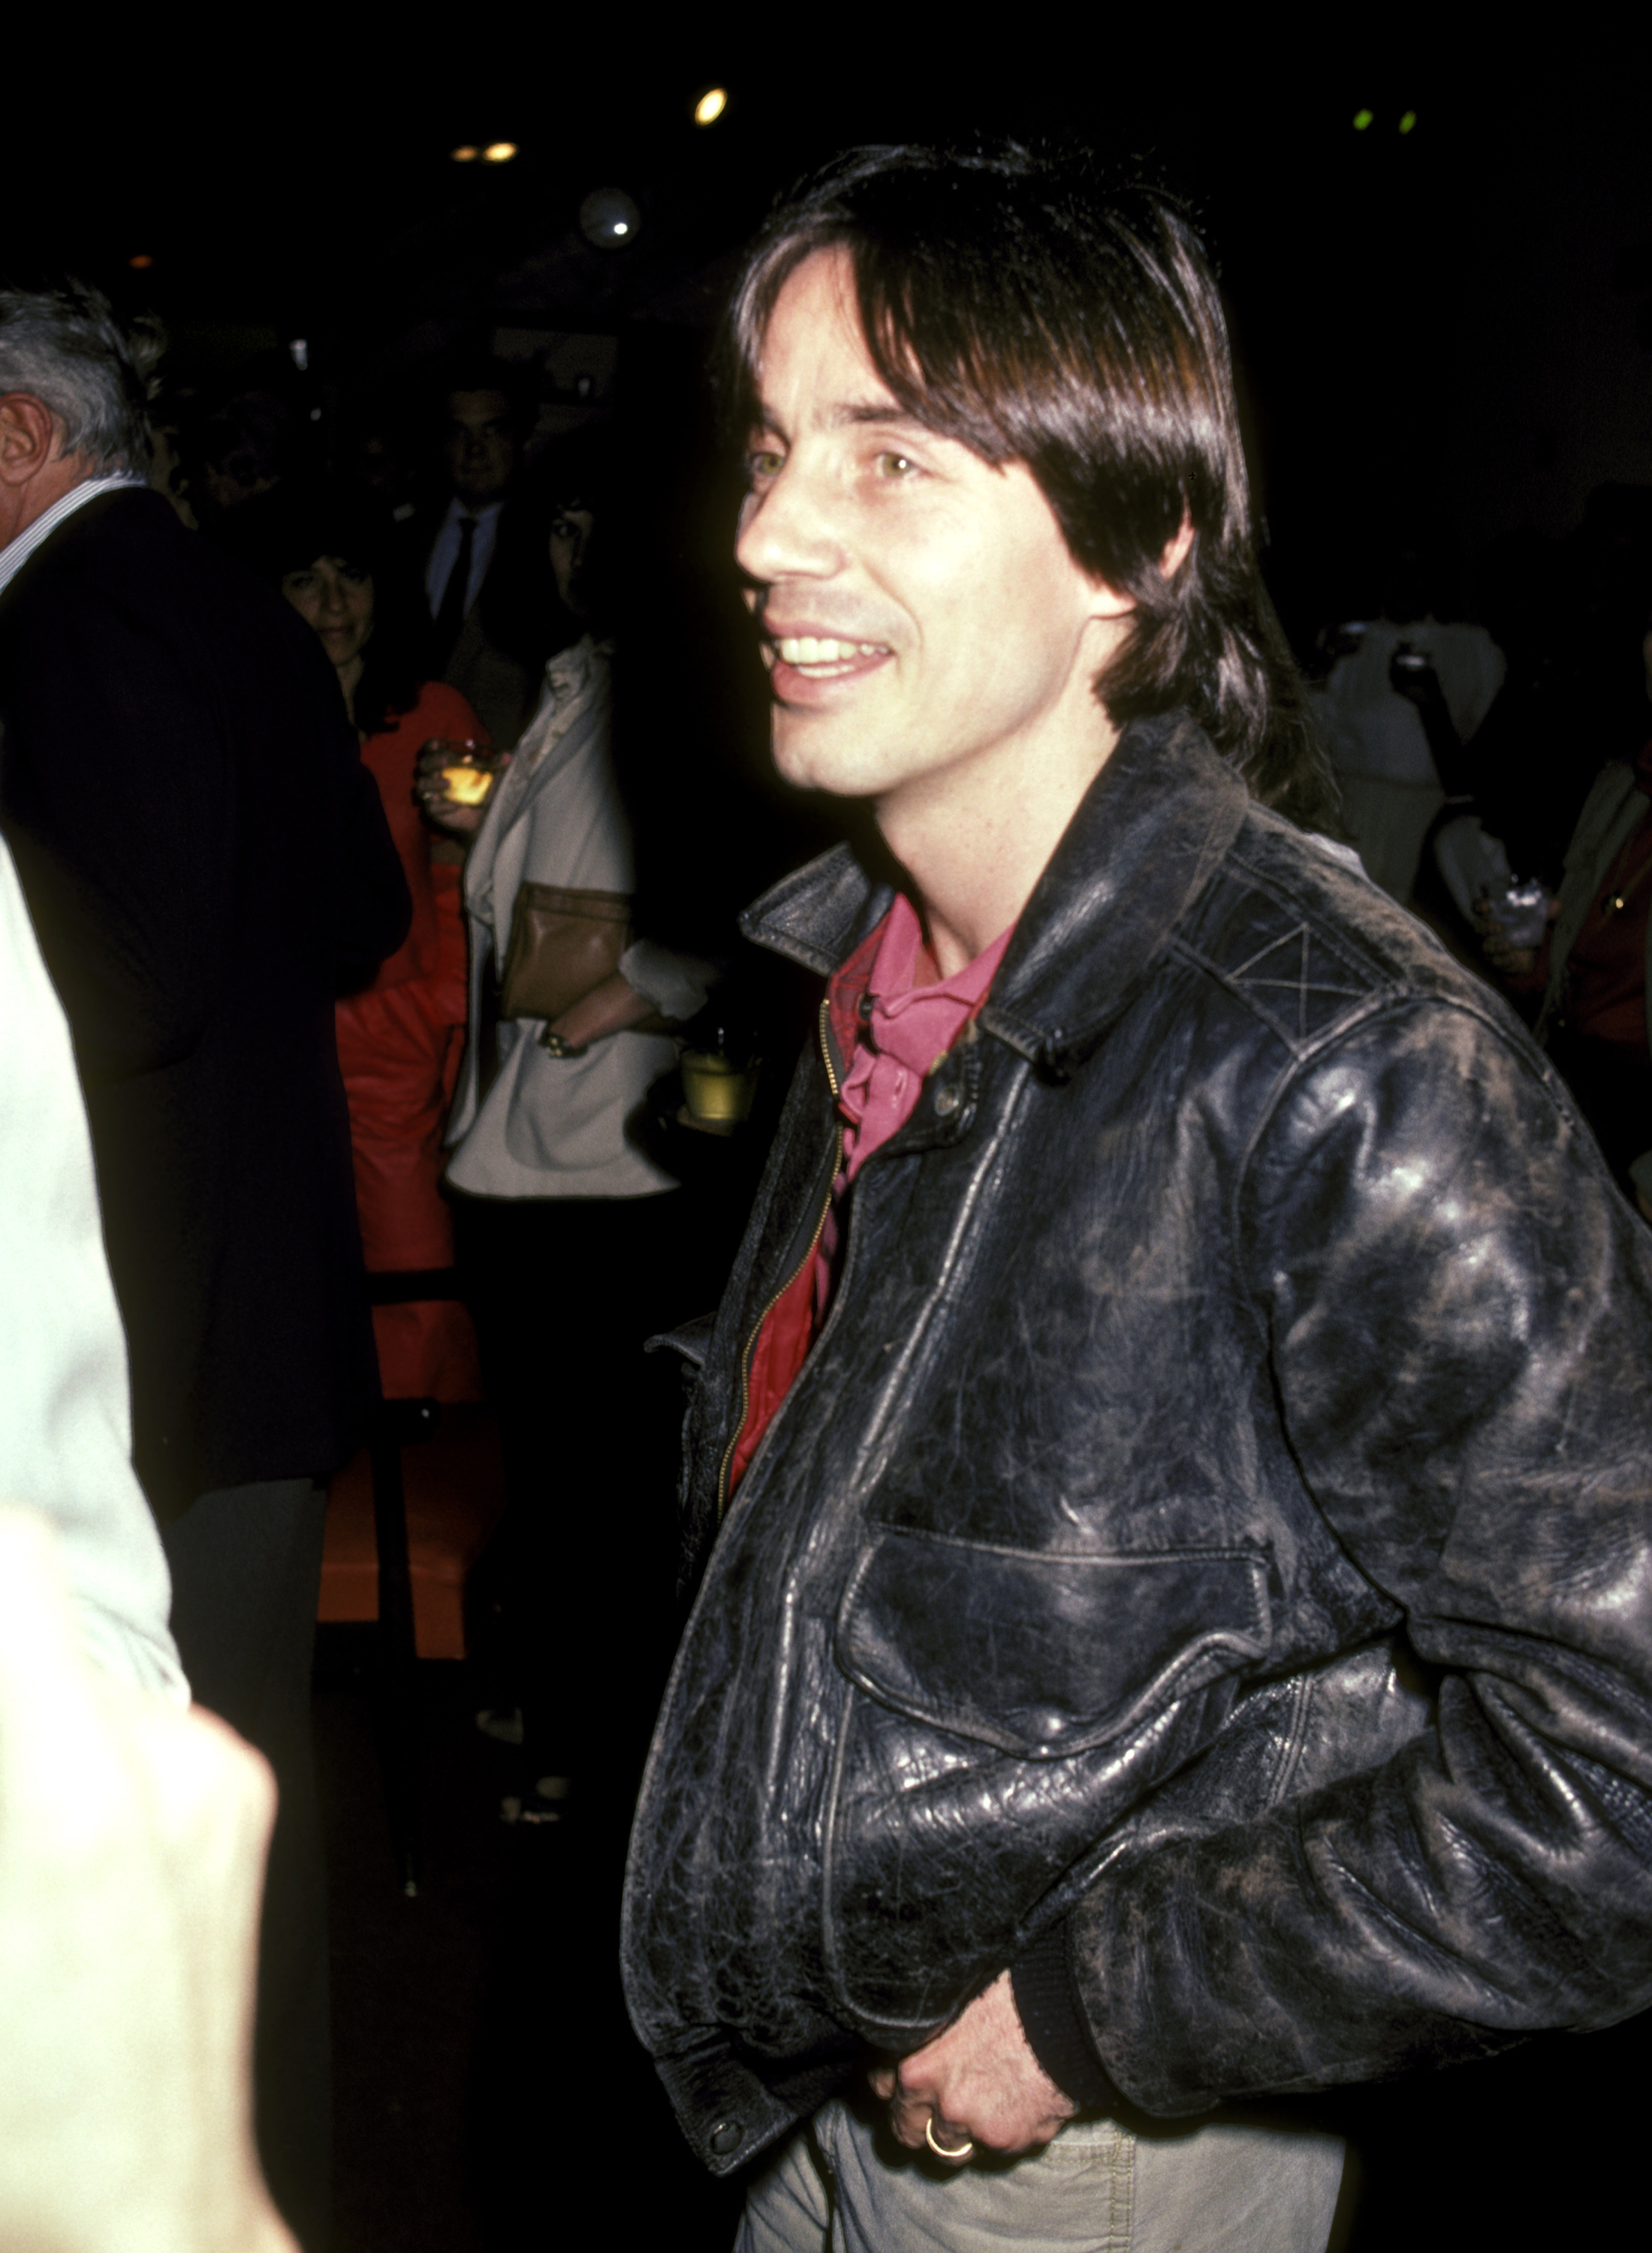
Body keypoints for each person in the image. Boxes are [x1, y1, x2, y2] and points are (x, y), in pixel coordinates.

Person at [619, 146, 1652, 2253]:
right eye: (775, 448)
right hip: (831, 2083)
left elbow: (1630, 1780)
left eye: (891, 460)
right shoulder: (879, 950)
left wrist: (1092, 2016)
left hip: (1081, 2151)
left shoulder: (1345, 1065)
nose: (768, 535)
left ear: (1141, 541)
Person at [0, 279, 409, 2251]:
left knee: (126, 1836)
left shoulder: (62, 624)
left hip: (137, 1347)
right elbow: (355, 904)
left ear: (17, 435)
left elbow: (129, 974)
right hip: (257, 1318)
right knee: (251, 1813)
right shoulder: (235, 601)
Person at [419, 435, 715, 1814]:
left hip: (612, 1157)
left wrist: (640, 993)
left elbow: (775, 912)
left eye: (603, 528)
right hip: (513, 1144)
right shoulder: (572, 684)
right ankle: (565, 1707)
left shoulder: (692, 700)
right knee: (555, 1461)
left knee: (610, 1482)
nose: (577, 556)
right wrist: (456, 827)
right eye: (559, 528)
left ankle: (598, 1756)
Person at [262, 484, 484, 1401]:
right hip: (273, 1043)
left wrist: (439, 1015)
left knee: (411, 1268)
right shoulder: (250, 709)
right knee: (284, 1270)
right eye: (306, 581)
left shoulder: (430, 712)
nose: (333, 603)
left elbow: (467, 881)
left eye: (350, 575)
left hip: (395, 1041)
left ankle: (419, 1484)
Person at [415, 361, 544, 756]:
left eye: (493, 430)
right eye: (459, 432)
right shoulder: (404, 539)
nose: (474, 450)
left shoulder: (544, 550)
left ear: (523, 442)